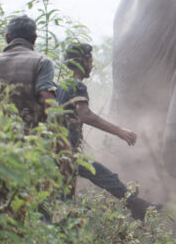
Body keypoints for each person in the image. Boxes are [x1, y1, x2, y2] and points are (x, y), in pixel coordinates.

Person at [56, 43, 161, 220]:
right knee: (104, 176)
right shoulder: (76, 86)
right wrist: (120, 131)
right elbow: (86, 115)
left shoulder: (61, 87)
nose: (92, 65)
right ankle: (137, 207)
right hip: (67, 154)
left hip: (59, 152)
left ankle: (136, 206)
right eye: (90, 60)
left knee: (64, 199)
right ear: (83, 61)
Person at [0, 15, 55, 127]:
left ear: (7, 38)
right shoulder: (42, 62)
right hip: (30, 140)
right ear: (34, 38)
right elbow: (47, 100)